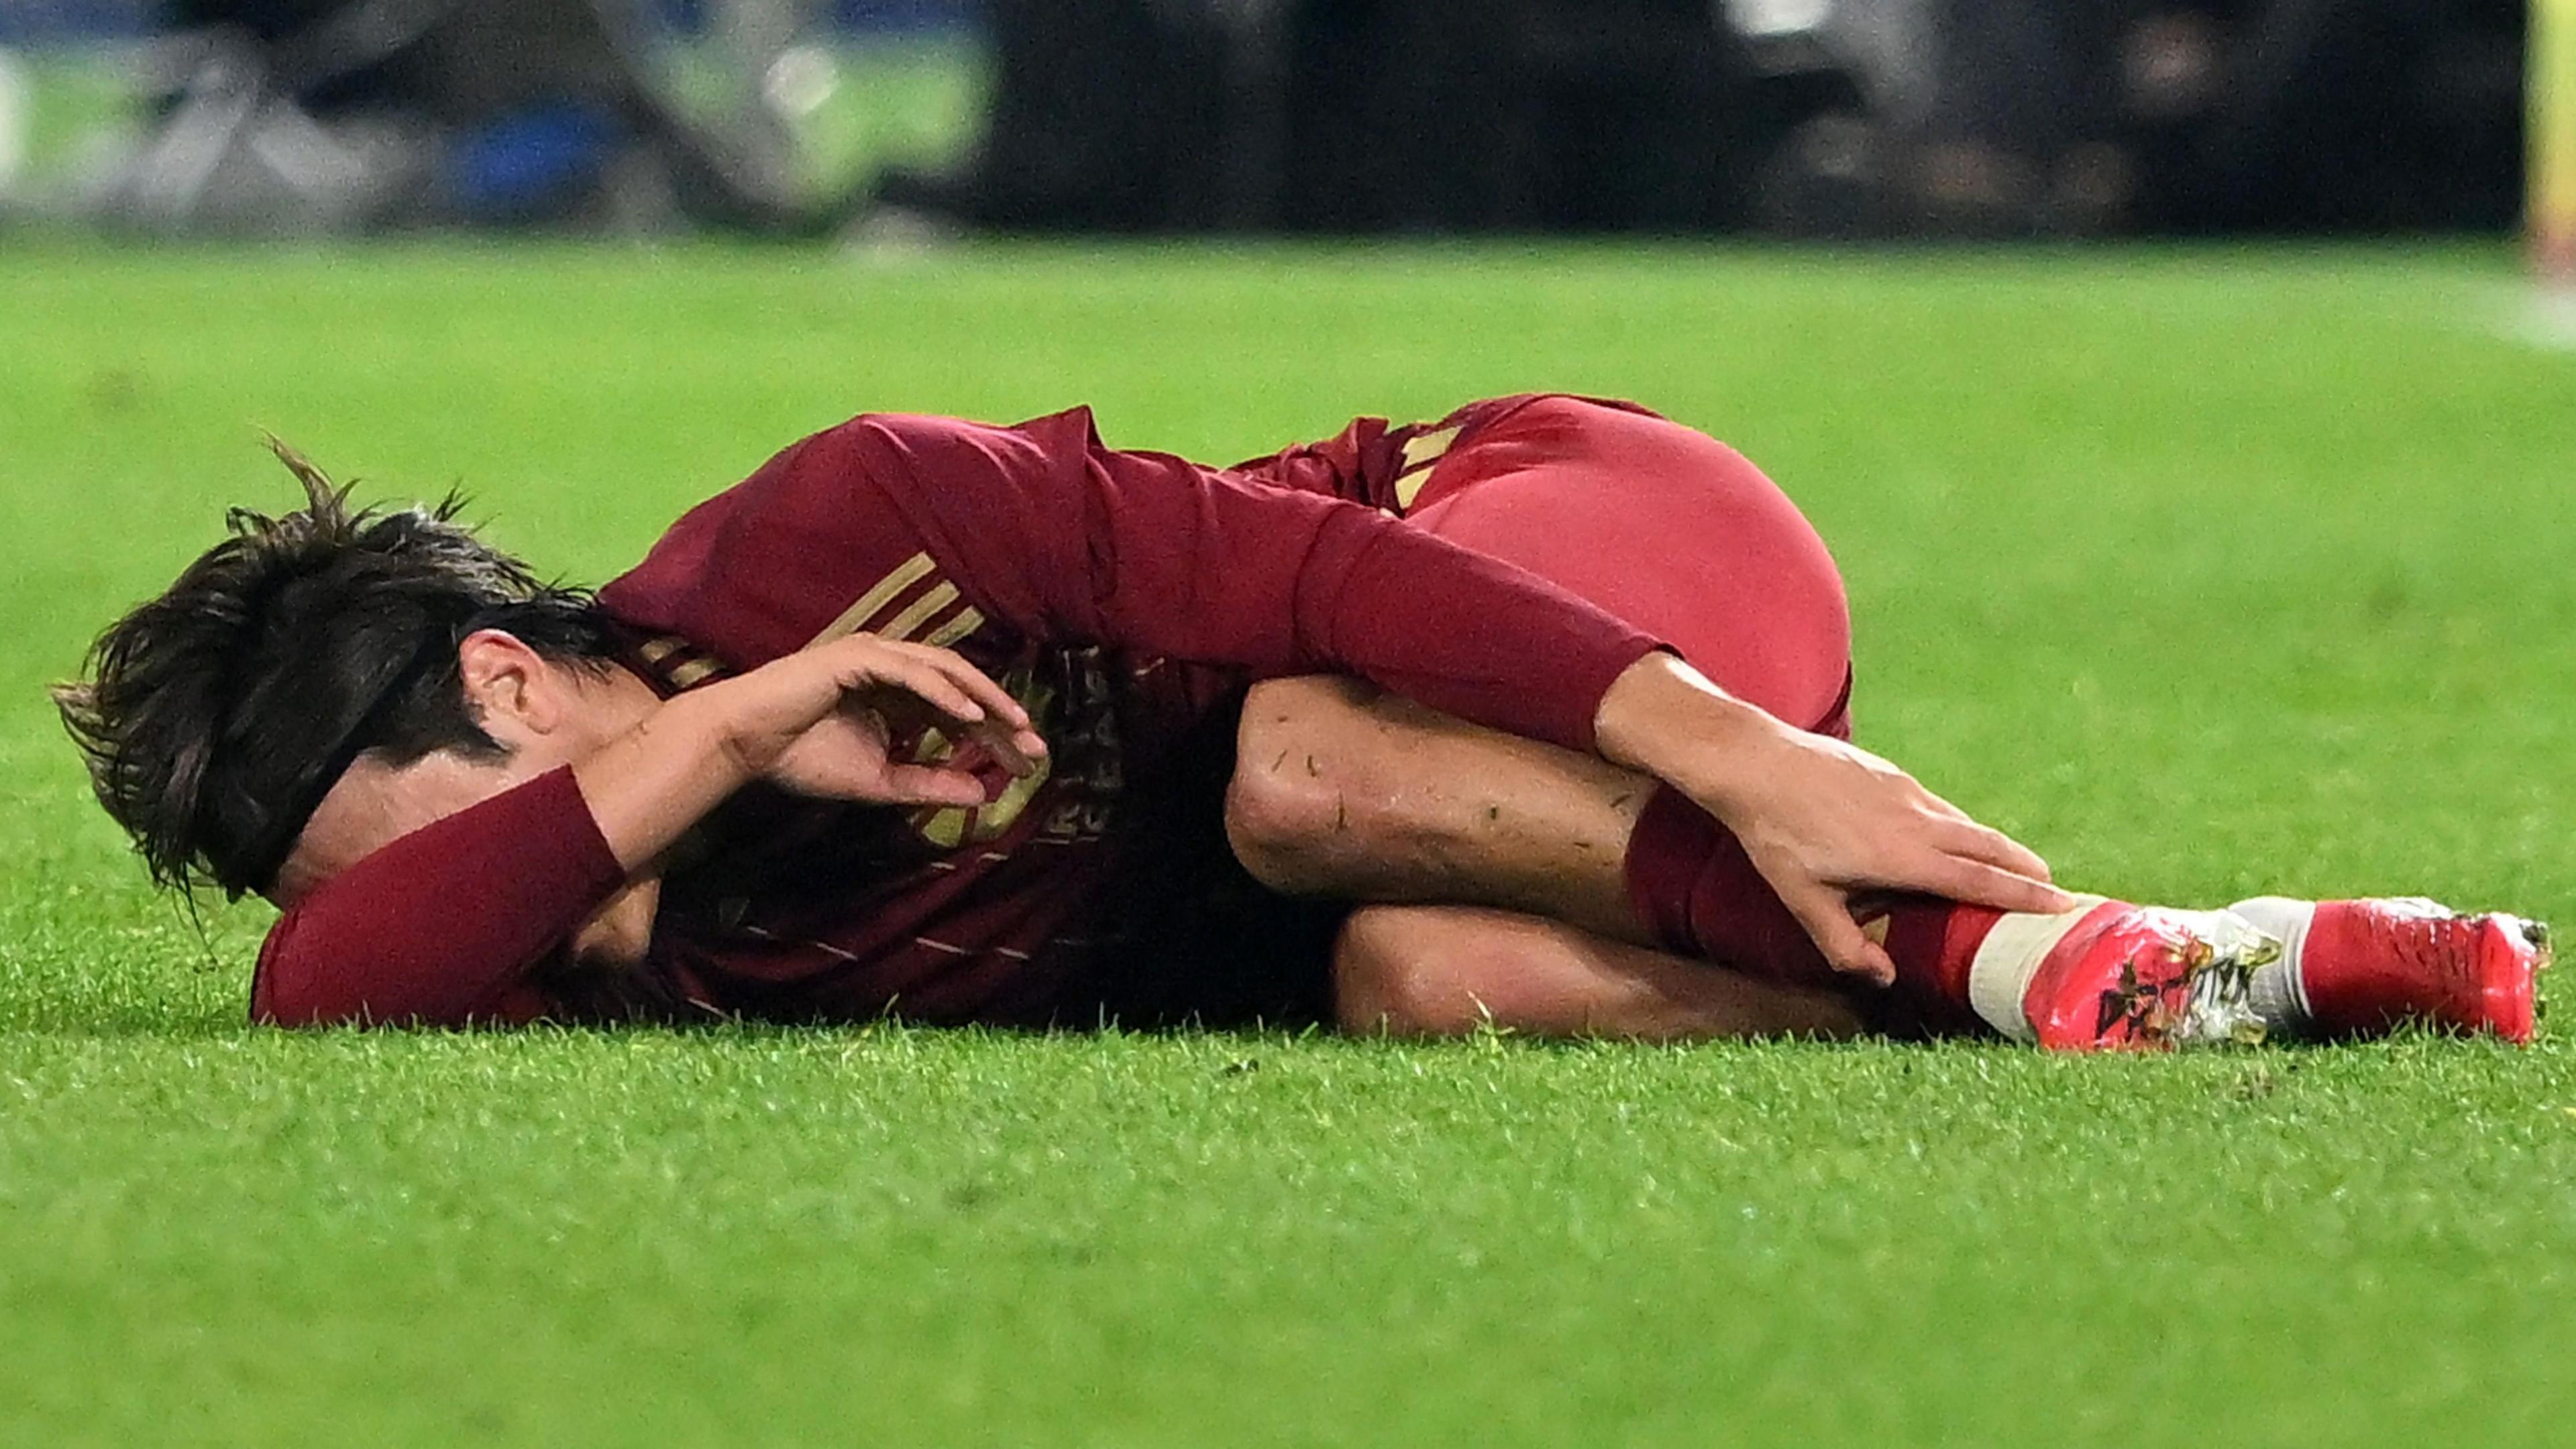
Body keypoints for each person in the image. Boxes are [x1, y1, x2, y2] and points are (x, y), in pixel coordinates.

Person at [54, 394, 2545, 1048]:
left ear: (507, 677)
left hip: (1549, 563)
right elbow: (319, 992)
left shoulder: (852, 523)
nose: (473, 931)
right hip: (1456, 872)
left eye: (432, 846)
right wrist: (728, 745)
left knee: (1287, 765)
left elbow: (1322, 577)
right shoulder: (643, 916)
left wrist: (1721, 743)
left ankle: (2029, 949)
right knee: (1415, 990)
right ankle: (2197, 975)